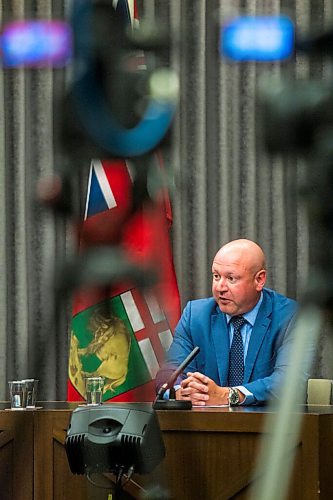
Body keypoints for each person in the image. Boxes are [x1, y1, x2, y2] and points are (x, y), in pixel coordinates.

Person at [156, 238, 301, 406]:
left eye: (231, 279)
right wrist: (180, 392)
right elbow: (169, 371)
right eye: (216, 276)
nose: (220, 287)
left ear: (259, 280)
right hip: (204, 427)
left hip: (269, 427)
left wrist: (228, 395)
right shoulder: (195, 315)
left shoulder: (289, 316)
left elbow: (291, 381)